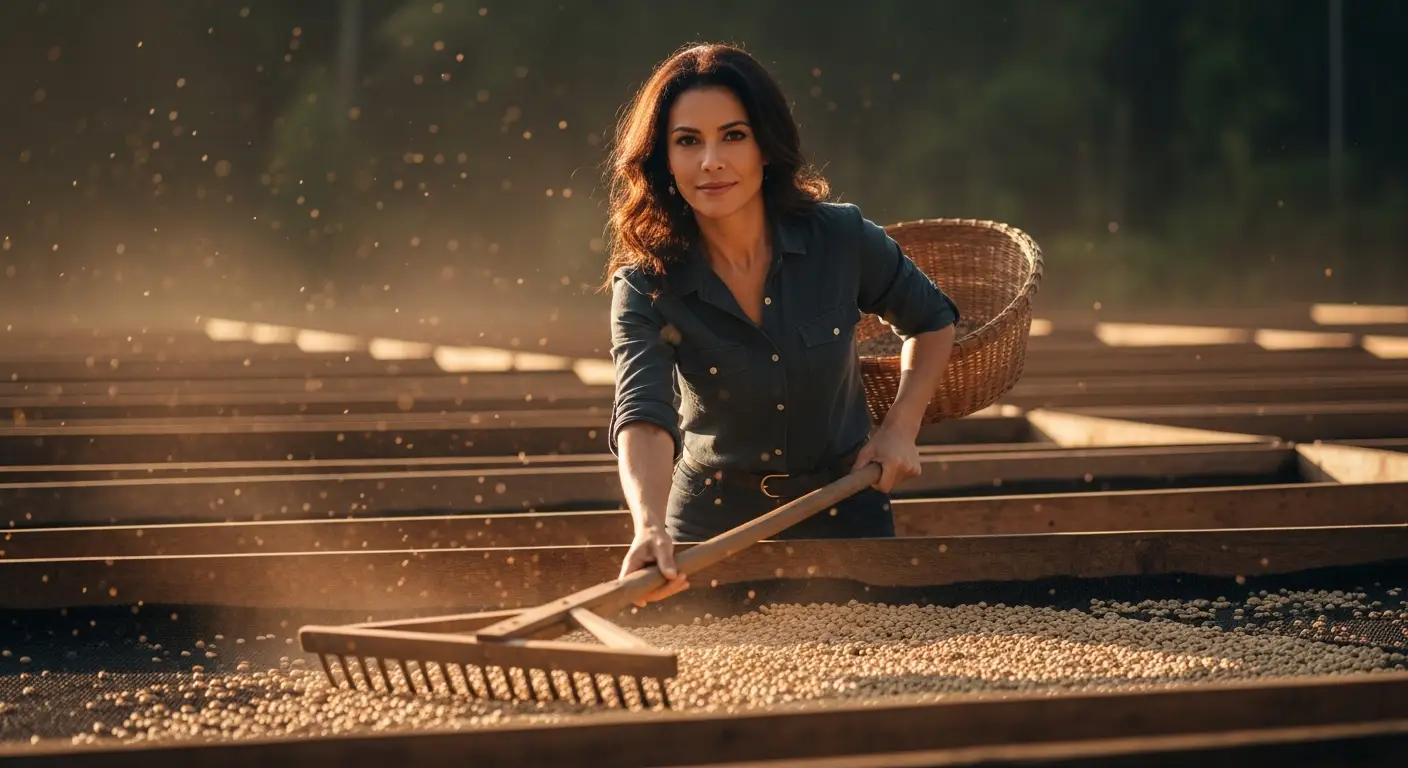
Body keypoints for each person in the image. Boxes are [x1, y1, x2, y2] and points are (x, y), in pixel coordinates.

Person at [602, 43, 960, 605]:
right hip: (709, 532)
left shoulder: (840, 239)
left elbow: (933, 321)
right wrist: (649, 525)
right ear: (664, 162)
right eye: (687, 142)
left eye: (733, 136)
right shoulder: (647, 284)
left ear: (766, 147)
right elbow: (644, 415)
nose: (710, 161)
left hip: (845, 509)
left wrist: (899, 428)